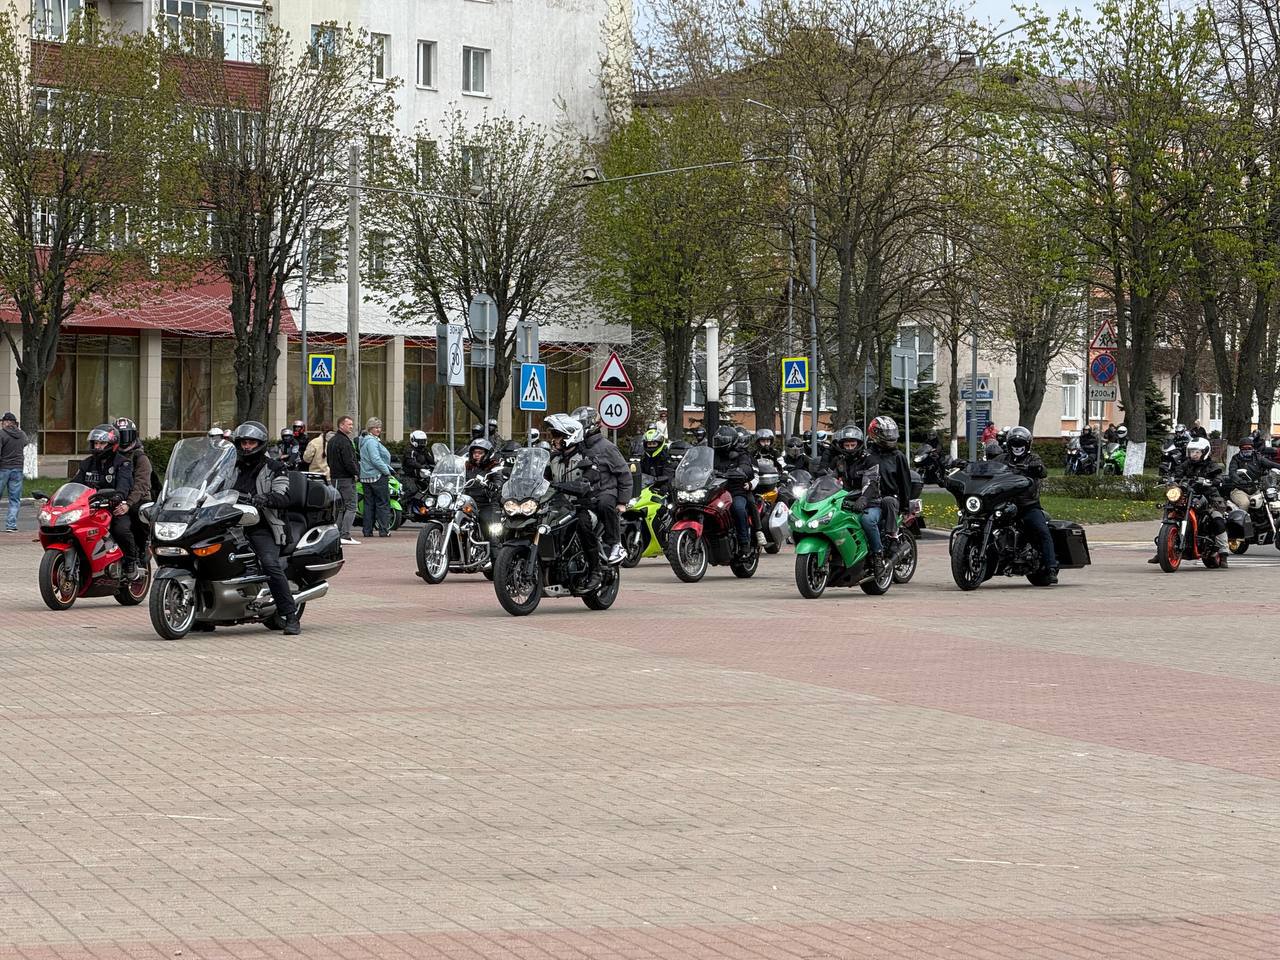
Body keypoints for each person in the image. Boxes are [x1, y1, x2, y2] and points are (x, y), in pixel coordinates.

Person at [230, 421, 300, 635]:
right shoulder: (231, 466)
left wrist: (266, 498)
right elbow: (214, 484)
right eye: (243, 442)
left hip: (262, 526)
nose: (246, 447)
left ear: (260, 444)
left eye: (251, 442)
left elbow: (284, 495)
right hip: (230, 524)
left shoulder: (275, 468)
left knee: (270, 564)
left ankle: (290, 615)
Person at [73, 424, 140, 580]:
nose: (98, 447)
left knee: (121, 530)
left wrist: (118, 497)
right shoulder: (86, 464)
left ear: (112, 444)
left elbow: (124, 486)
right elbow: (74, 484)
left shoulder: (123, 463)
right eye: (96, 443)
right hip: (90, 507)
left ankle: (131, 561)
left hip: (113, 507)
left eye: (102, 443)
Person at [994, 425, 1058, 583]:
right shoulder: (1002, 459)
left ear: (1027, 444)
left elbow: (1043, 472)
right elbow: (988, 467)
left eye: (1020, 443)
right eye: (1014, 443)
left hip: (1027, 505)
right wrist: (968, 465)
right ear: (1009, 444)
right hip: (1004, 504)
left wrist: (1037, 468)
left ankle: (1051, 567)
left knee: (1042, 531)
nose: (1017, 446)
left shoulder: (1033, 459)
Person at [569, 405, 630, 565]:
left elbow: (624, 474)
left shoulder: (607, 447)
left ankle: (615, 544)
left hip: (605, 490)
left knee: (605, 504)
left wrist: (622, 502)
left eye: (579, 425)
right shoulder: (577, 446)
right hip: (585, 492)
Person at [1163, 436, 1229, 567]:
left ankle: (1223, 553)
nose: (1194, 454)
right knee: (1169, 510)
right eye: (1192, 451)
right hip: (1188, 495)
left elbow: (1218, 477)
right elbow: (1177, 474)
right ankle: (1163, 548)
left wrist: (1213, 481)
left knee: (1217, 519)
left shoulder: (1211, 465)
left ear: (1205, 452)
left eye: (1197, 452)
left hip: (1209, 497)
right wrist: (1171, 480)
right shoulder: (1186, 464)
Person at [830, 425, 888, 572]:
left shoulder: (870, 460)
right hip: (847, 502)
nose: (850, 448)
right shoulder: (840, 461)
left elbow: (871, 483)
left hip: (871, 503)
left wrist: (864, 499)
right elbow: (830, 479)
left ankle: (878, 554)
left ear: (859, 444)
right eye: (846, 445)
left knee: (867, 521)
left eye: (853, 444)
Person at [865, 416, 913, 554]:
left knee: (888, 501)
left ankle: (892, 537)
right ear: (874, 434)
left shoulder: (898, 456)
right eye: (886, 434)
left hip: (891, 497)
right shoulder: (866, 455)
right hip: (870, 499)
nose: (890, 437)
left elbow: (905, 482)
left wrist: (905, 507)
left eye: (892, 433)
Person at [112, 417, 153, 571]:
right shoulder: (112, 455)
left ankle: (141, 550)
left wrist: (128, 504)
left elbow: (141, 485)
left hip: (139, 498)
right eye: (119, 435)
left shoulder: (140, 457)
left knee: (138, 514)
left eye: (126, 435)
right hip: (118, 496)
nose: (123, 439)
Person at [711, 424, 756, 553]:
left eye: (722, 441)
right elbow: (701, 465)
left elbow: (747, 468)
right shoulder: (713, 454)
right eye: (717, 441)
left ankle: (744, 541)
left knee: (738, 508)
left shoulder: (741, 454)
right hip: (715, 491)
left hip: (734, 491)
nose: (719, 444)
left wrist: (739, 471)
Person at [327, 415, 360, 545]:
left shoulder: (332, 441)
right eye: (349, 424)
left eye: (352, 424)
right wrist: (356, 473)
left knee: (340, 507)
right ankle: (345, 534)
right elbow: (349, 461)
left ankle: (337, 534)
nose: (351, 426)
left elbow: (329, 460)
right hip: (346, 479)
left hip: (335, 477)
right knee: (351, 506)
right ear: (341, 425)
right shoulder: (345, 442)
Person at [359, 417, 393, 538]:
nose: (378, 429)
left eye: (379, 427)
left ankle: (367, 530)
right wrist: (386, 471)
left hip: (365, 477)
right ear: (370, 428)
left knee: (369, 504)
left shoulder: (363, 441)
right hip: (377, 476)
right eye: (375, 427)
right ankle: (384, 530)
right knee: (383, 504)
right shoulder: (372, 442)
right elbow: (375, 459)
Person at [0, 411, 27, 533]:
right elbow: (25, 443)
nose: (2, 424)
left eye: (3, 421)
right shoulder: (22, 434)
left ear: (7, 422)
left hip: (3, 468)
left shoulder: (1, 434)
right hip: (18, 468)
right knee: (15, 499)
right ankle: (11, 525)